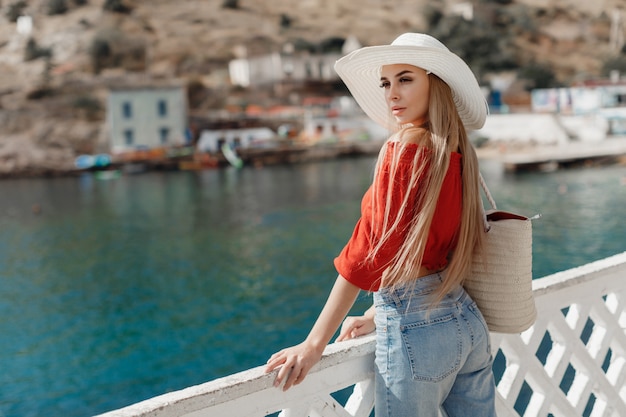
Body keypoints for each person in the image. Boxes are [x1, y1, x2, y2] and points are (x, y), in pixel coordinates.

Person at [265, 33, 497, 417]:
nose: (392, 94)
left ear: (434, 85)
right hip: (464, 320)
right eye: (386, 83)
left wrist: (313, 344)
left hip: (417, 332)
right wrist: (374, 314)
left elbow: (366, 253)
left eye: (405, 79)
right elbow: (432, 247)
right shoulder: (456, 154)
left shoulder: (402, 150)